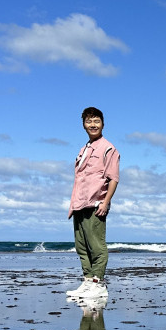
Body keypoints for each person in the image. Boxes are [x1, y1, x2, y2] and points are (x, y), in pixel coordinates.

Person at [67, 107, 120, 300]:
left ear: (103, 124)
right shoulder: (84, 149)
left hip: (96, 203)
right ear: (83, 125)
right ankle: (88, 282)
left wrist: (106, 203)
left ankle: (99, 284)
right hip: (79, 204)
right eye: (89, 121)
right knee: (82, 247)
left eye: (96, 121)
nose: (93, 125)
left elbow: (113, 178)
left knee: (97, 246)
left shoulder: (108, 148)